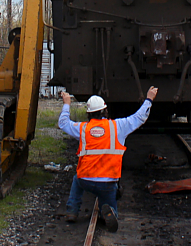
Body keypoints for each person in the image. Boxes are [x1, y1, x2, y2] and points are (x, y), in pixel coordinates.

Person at [58, 86, 158, 231]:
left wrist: (66, 103)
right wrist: (149, 98)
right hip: (108, 182)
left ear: (89, 114)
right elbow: (139, 117)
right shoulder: (118, 127)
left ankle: (72, 212)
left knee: (76, 180)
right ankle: (110, 213)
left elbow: (63, 123)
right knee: (110, 199)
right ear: (105, 111)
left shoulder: (83, 128)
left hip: (85, 180)